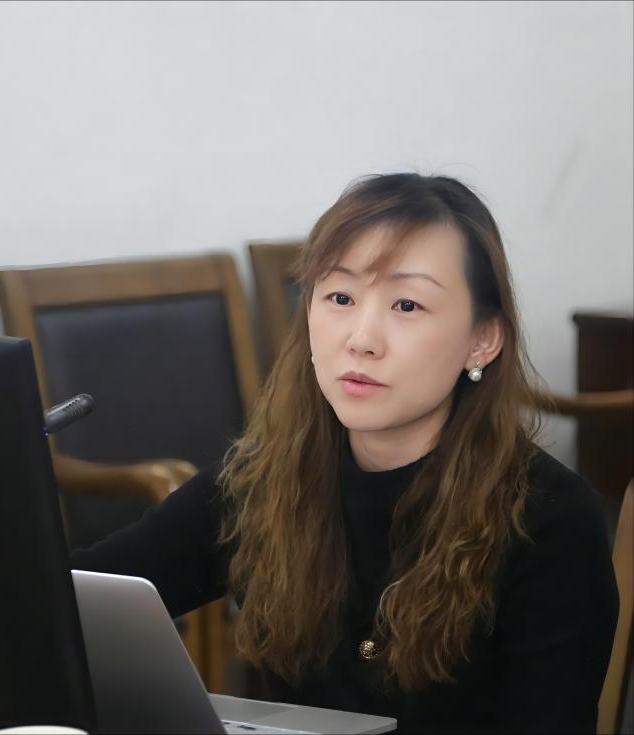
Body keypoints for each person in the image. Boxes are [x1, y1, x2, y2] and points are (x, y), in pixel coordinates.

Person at [70, 173, 619, 733]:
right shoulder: (264, 481)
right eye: (339, 298)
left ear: (482, 340)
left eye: (407, 304)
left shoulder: (550, 521)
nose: (361, 339)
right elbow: (78, 599)